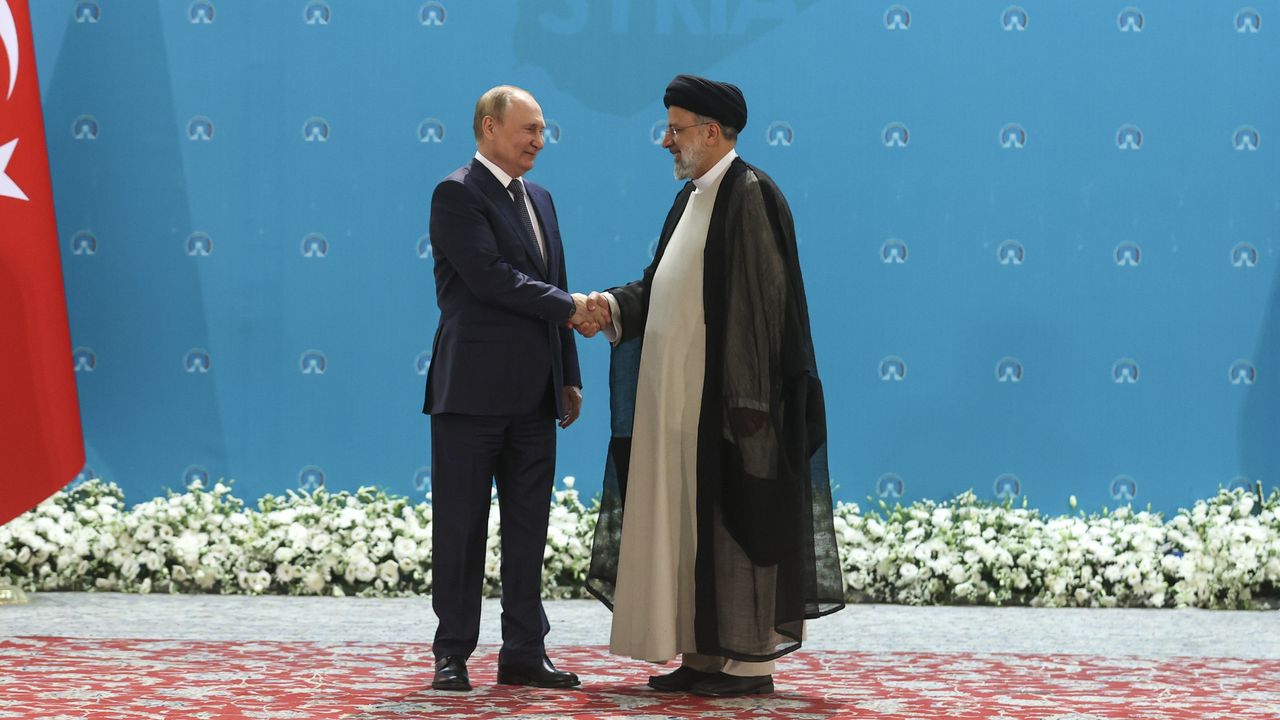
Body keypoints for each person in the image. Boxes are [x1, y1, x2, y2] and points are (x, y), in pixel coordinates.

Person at [572, 75, 845, 697]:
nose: (666, 140)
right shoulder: (692, 198)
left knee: (734, 524)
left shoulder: (751, 194)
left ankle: (747, 665)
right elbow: (661, 284)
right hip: (680, 402)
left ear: (712, 132)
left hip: (727, 407)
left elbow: (765, 308)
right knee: (691, 525)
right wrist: (609, 308)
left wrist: (747, 408)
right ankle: (701, 656)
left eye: (677, 128)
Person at [423, 85, 593, 692]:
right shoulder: (456, 193)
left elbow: (556, 281)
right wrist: (573, 308)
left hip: (534, 396)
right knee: (461, 526)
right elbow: (492, 279)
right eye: (529, 130)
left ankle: (524, 650)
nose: (539, 142)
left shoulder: (541, 199)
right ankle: (452, 653)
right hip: (470, 394)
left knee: (529, 527)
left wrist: (568, 374)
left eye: (543, 131)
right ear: (490, 127)